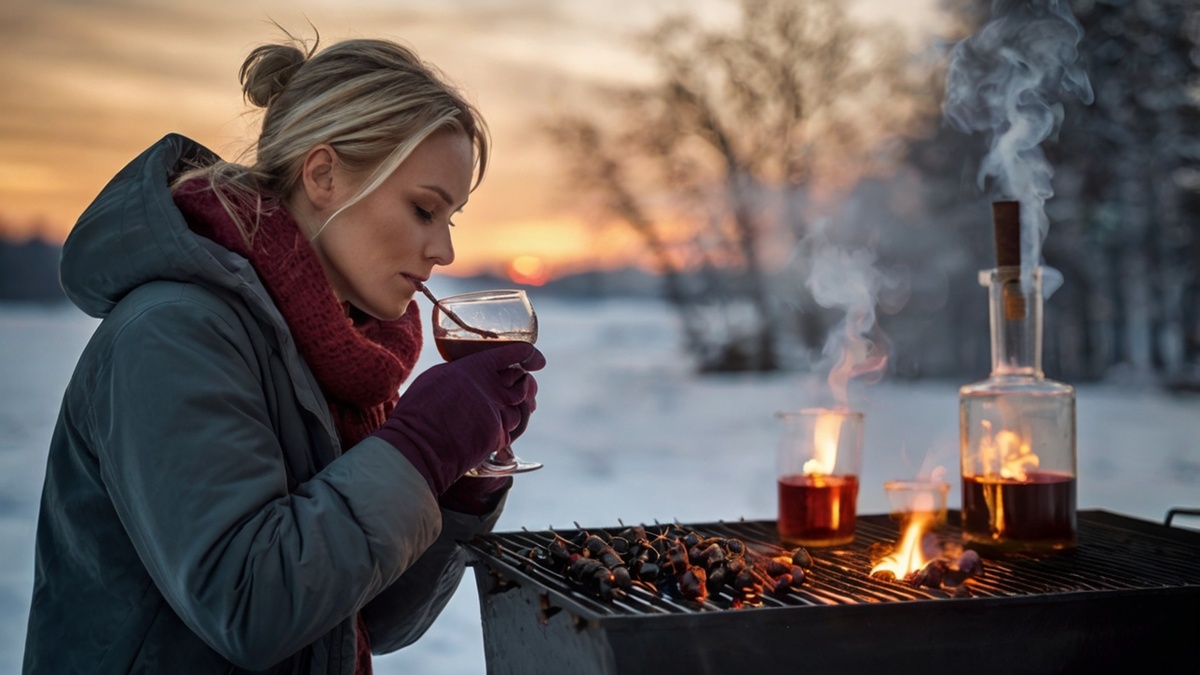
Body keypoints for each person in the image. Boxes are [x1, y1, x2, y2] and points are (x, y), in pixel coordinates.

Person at [22, 31, 545, 674]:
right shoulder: (174, 334)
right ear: (323, 175)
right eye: (423, 209)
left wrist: (457, 485)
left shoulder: (337, 352)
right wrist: (422, 446)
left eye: (450, 219)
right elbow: (250, 606)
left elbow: (367, 618)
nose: (444, 251)